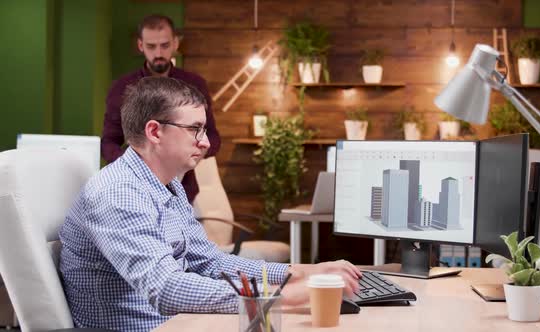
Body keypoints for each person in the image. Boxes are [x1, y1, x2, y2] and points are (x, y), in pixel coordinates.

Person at [59, 77, 361, 331]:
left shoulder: (168, 186)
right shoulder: (118, 194)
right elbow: (167, 289)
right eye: (195, 129)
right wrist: (291, 296)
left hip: (180, 321)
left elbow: (210, 262)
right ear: (154, 132)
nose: (205, 142)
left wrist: (298, 272)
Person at [101, 14, 219, 204]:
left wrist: (194, 156)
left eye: (164, 46)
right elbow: (108, 142)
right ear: (140, 46)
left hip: (183, 189)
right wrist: (140, 168)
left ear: (175, 44)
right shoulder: (121, 88)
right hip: (134, 188)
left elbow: (212, 137)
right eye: (151, 46)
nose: (158, 53)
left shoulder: (195, 84)